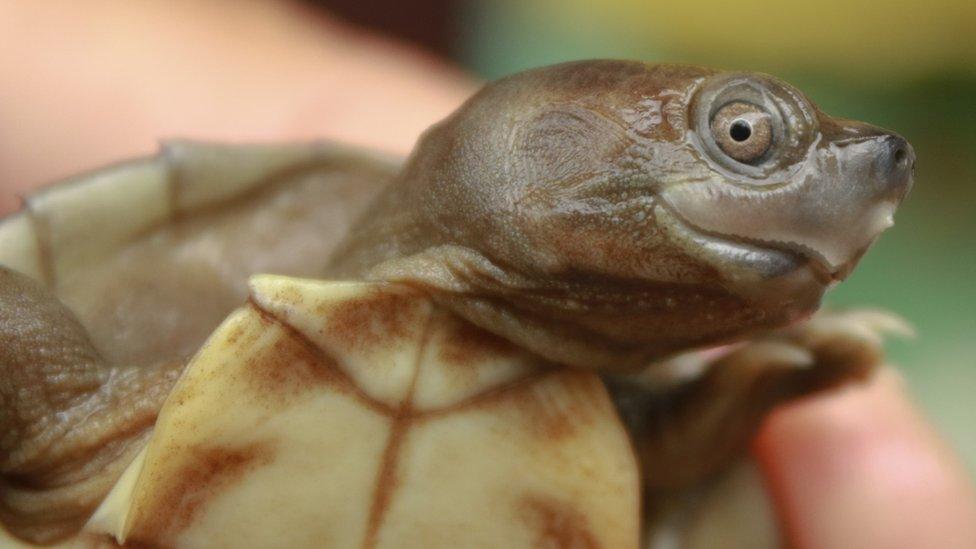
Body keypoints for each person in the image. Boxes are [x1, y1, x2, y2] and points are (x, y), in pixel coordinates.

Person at [1, 2, 974, 547]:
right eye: (745, 137)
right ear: (535, 135)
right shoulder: (84, 417)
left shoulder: (656, 442)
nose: (863, 193)